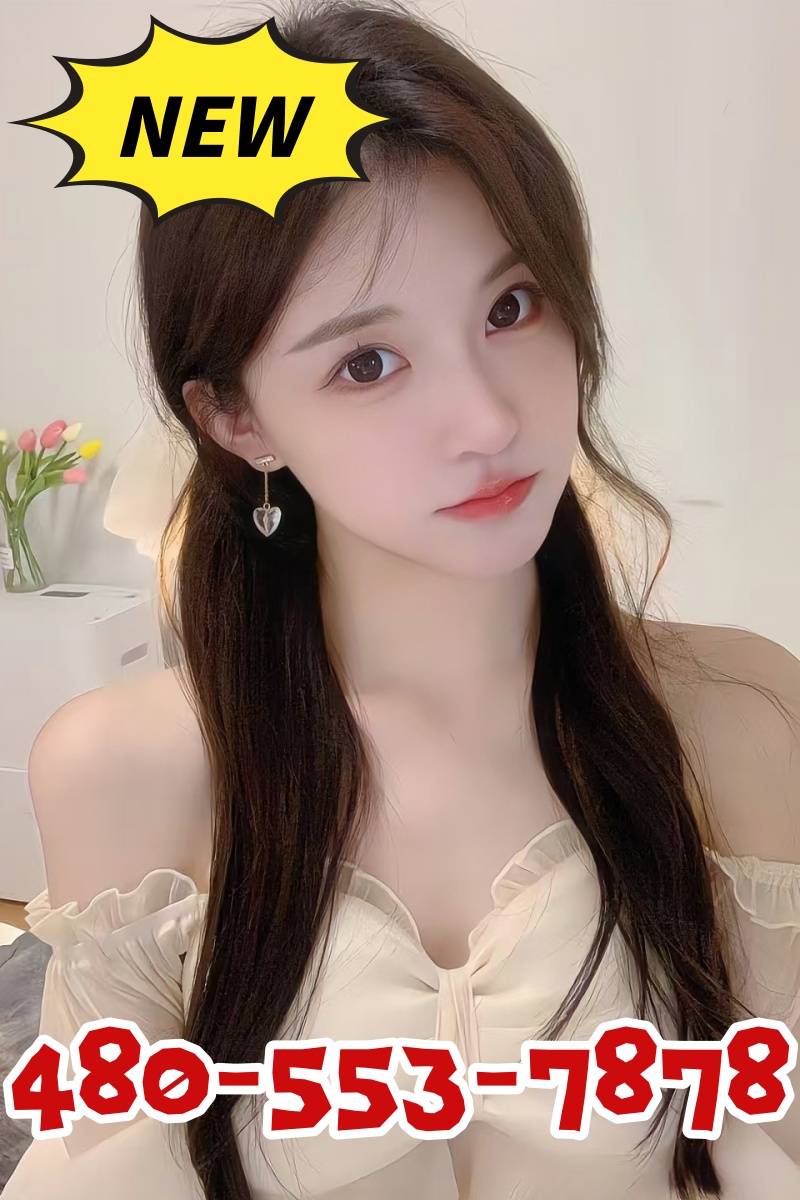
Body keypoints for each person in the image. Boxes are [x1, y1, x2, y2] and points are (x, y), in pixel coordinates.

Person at [4, 1, 800, 1197]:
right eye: (367, 363)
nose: (488, 417)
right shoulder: (128, 772)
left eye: (509, 307)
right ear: (237, 419)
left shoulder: (737, 715)